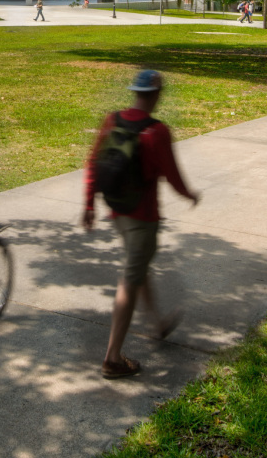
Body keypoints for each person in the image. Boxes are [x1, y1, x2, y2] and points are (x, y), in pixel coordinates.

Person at [83, 70, 201, 379]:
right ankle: (112, 358)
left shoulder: (112, 120)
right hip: (143, 218)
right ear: (157, 94)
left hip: (118, 214)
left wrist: (88, 205)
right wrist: (191, 195)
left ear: (135, 92)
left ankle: (158, 323)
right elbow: (173, 176)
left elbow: (94, 162)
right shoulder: (157, 132)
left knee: (139, 266)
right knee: (129, 280)